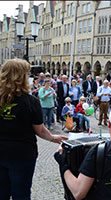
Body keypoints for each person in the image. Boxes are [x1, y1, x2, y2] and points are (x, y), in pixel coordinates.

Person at [0, 59, 67, 200]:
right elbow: (40, 130)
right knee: (21, 193)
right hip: (22, 154)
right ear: (21, 77)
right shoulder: (30, 101)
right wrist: (53, 138)